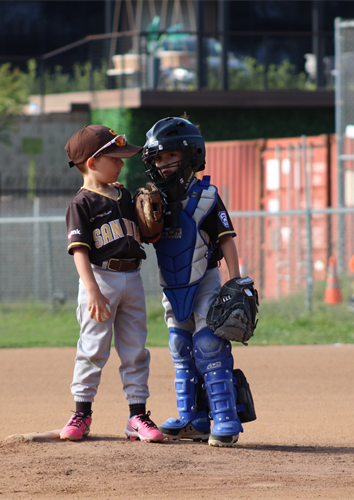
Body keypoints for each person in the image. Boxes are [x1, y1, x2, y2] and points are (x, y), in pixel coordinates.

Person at [141, 116, 247, 447]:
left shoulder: (207, 196)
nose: (163, 164)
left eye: (169, 156)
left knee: (208, 345)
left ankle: (226, 418)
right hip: (170, 287)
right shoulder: (154, 202)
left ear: (191, 155)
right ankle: (193, 418)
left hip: (206, 280)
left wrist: (236, 280)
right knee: (179, 347)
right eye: (157, 159)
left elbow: (227, 239)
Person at [62, 125, 164, 443]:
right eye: (115, 158)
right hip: (100, 279)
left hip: (132, 277)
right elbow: (79, 250)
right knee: (93, 349)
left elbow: (147, 234)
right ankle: (81, 413)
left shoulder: (124, 195)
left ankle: (137, 416)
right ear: (92, 163)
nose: (122, 163)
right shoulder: (81, 204)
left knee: (135, 351)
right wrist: (91, 289)